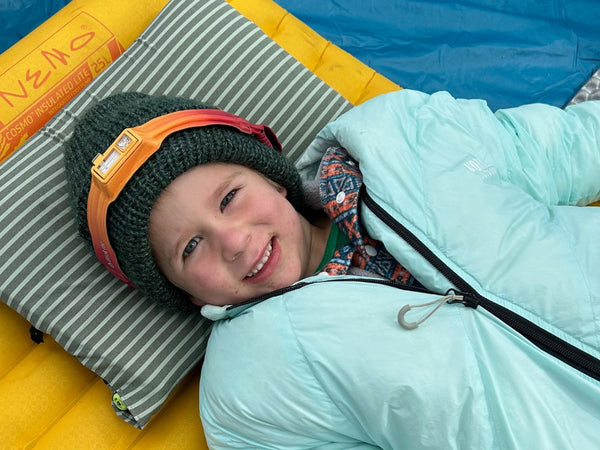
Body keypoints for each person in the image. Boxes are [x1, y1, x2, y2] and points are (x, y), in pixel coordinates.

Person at [64, 90, 600, 448]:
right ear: (176, 290)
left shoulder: (404, 142)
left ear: (272, 177)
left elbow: (560, 148)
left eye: (229, 197)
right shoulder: (249, 395)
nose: (232, 241)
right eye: (190, 248)